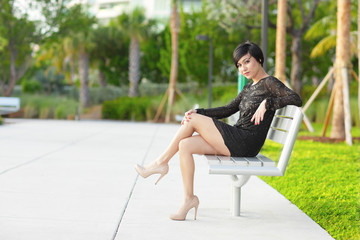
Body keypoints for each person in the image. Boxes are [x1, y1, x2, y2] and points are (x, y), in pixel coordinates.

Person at [135, 41, 302, 221]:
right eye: (239, 65)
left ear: (259, 59)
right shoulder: (248, 88)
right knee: (185, 145)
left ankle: (161, 162)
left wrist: (268, 103)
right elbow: (227, 109)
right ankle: (188, 199)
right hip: (236, 138)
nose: (243, 68)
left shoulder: (269, 83)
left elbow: (296, 98)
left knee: (191, 121)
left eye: (247, 61)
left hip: (245, 143)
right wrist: (199, 112)